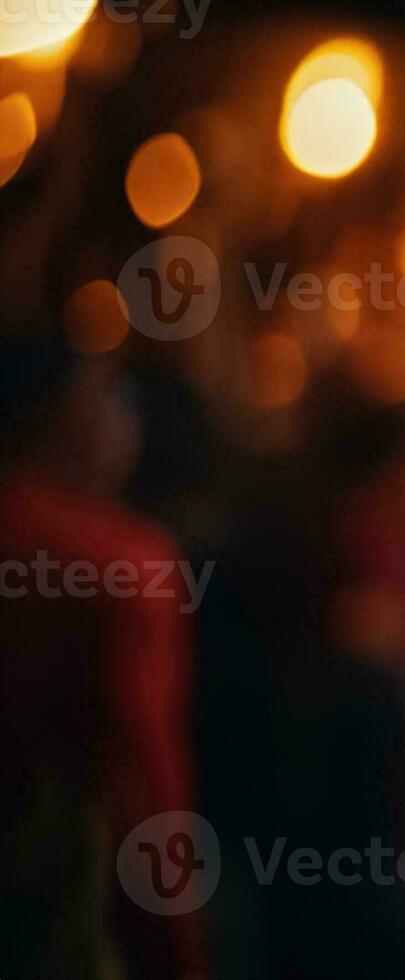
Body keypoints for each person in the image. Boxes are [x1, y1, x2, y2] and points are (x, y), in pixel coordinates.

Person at [0, 334, 205, 978]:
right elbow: (144, 770)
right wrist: (181, 945)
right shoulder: (125, 566)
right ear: (63, 415)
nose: (128, 417)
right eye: (110, 396)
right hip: (67, 901)